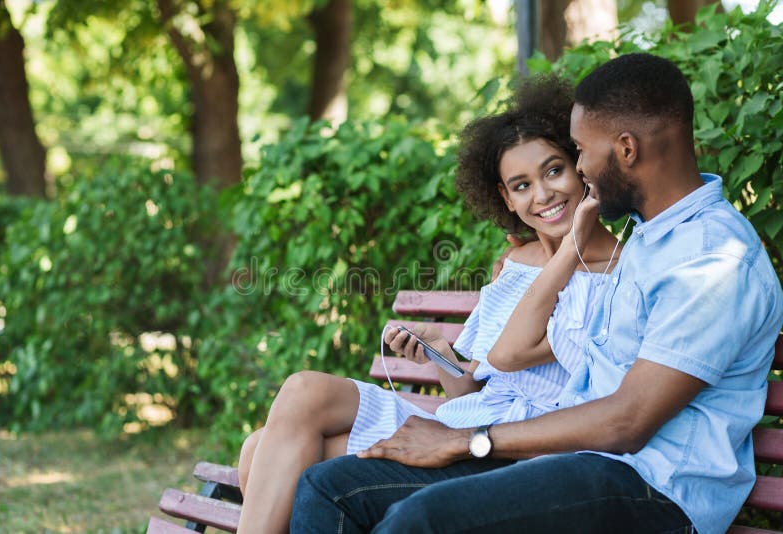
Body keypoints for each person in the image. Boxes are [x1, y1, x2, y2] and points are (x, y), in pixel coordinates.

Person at [290, 53, 783, 534]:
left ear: (627, 149)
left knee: (419, 520)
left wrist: (468, 441)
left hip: (656, 492)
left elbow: (628, 420)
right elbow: (511, 358)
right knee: (329, 486)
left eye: (581, 151)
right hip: (573, 463)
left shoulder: (712, 258)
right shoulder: (649, 238)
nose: (581, 169)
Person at [235, 74, 622, 533]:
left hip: (515, 443)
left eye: (553, 170)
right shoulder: (514, 260)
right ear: (505, 197)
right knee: (293, 404)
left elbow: (514, 357)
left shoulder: (614, 273)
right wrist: (442, 352)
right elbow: (478, 385)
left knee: (267, 454)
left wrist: (571, 246)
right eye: (520, 185)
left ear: (580, 167)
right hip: (470, 413)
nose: (542, 195)